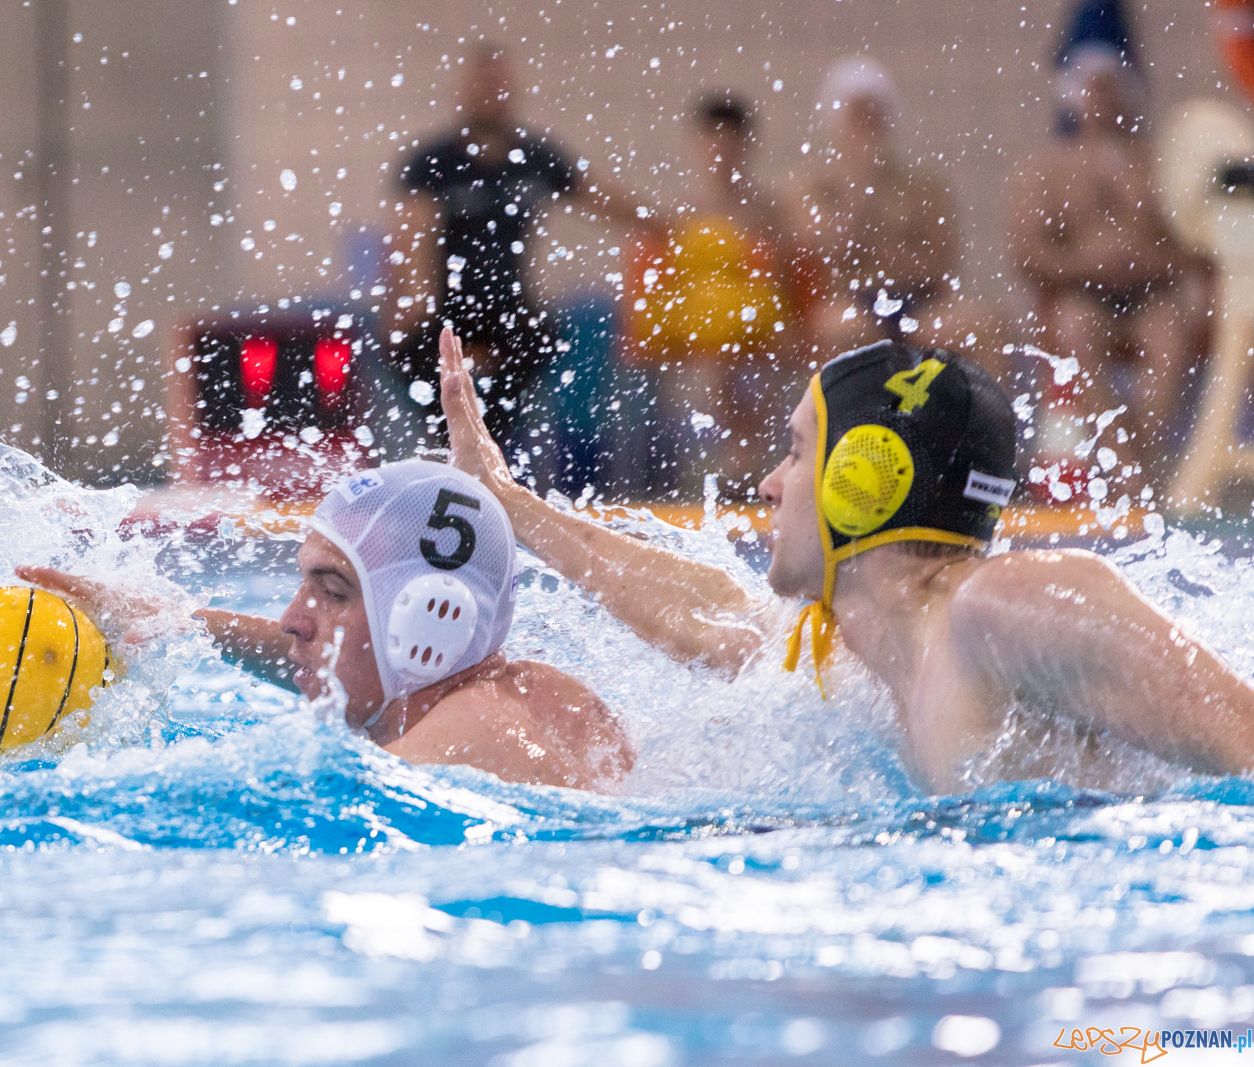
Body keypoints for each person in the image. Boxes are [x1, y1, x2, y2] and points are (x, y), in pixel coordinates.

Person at [438, 326, 1254, 792]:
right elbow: (712, 614)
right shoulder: (866, 655)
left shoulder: (1000, 610)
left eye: (795, 451)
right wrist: (510, 503)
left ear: (862, 479)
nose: (766, 482)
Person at [18, 460, 633, 793]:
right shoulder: (530, 693)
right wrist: (181, 620)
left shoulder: (455, 753)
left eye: (331, 590)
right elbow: (338, 659)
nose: (292, 619)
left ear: (428, 619)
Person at [386, 46, 648, 455]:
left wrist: (674, 225)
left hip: (510, 310)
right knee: (425, 371)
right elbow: (411, 239)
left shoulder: (534, 157)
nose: (491, 95)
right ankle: (447, 451)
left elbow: (605, 200)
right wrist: (415, 307)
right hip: (446, 311)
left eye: (499, 86)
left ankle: (495, 456)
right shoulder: (433, 161)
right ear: (464, 93)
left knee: (541, 343)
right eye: (482, 86)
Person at [1008, 44, 1205, 468]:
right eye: (1093, 91)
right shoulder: (1047, 168)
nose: (1102, 101)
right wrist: (1086, 265)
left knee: (1169, 342)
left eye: (1110, 90)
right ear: (1074, 97)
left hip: (1150, 292)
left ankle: (1139, 464)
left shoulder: (1159, 163)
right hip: (1082, 293)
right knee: (1078, 330)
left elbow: (1195, 249)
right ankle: (1123, 462)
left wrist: (1143, 260)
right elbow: (1026, 253)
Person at [622, 92, 794, 499]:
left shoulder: (767, 213)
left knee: (748, 351)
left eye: (730, 142)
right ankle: (737, 464)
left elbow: (786, 284)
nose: (722, 152)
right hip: (696, 334)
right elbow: (658, 294)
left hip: (755, 333)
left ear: (746, 146)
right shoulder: (680, 213)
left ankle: (747, 462)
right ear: (698, 144)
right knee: (719, 354)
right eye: (713, 141)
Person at [791, 59, 1007, 380]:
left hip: (917, 304)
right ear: (836, 121)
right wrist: (860, 187)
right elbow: (826, 254)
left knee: (985, 326)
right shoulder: (813, 186)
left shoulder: (923, 187)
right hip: (852, 302)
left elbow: (941, 266)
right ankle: (851, 424)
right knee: (840, 330)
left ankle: (993, 427)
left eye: (873, 115)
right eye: (857, 115)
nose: (866, 125)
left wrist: (891, 259)